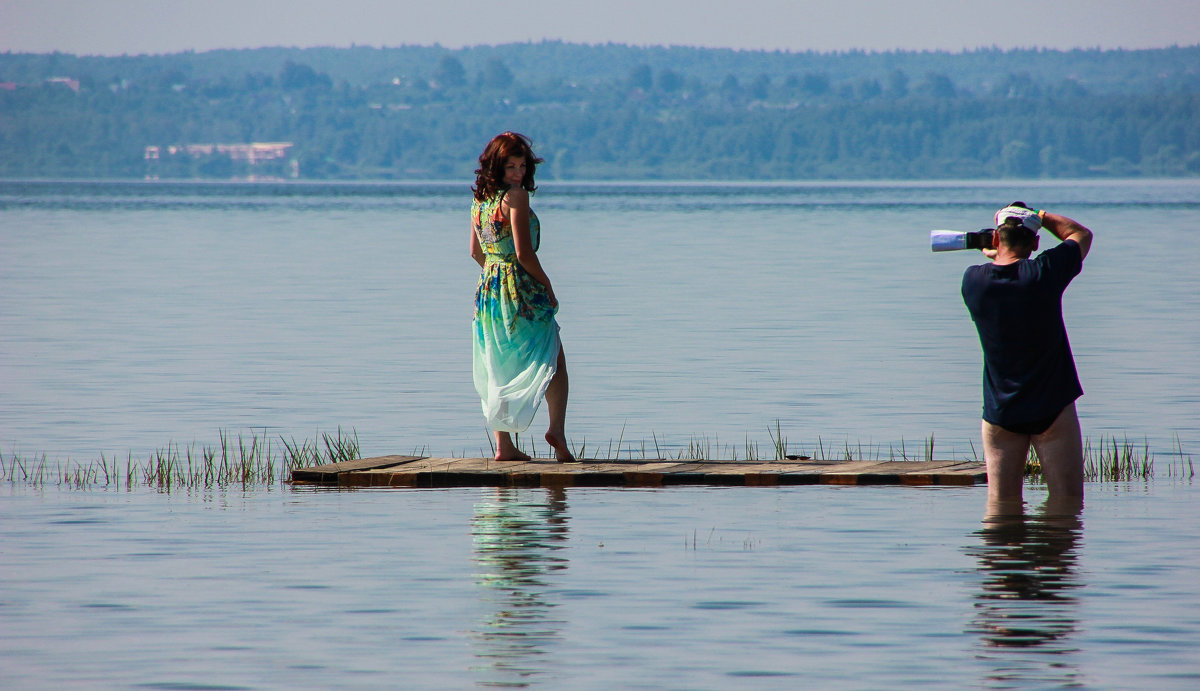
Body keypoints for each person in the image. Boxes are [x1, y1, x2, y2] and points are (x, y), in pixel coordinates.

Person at [961, 202, 1093, 501]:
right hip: (1052, 407)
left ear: (996, 238)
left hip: (1001, 410)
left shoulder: (973, 280)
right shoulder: (1045, 272)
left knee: (1000, 508)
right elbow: (1080, 234)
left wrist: (995, 251)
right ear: (1035, 242)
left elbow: (1001, 267)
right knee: (1066, 504)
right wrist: (1042, 216)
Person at [470, 132, 574, 462]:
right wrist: (546, 286)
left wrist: (495, 276)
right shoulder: (516, 197)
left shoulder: (479, 202)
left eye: (522, 166)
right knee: (552, 355)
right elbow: (523, 252)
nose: (517, 173)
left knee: (496, 362)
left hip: (488, 290)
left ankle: (504, 446)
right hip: (519, 286)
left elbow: (475, 252)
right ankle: (556, 430)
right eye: (510, 166)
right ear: (495, 167)